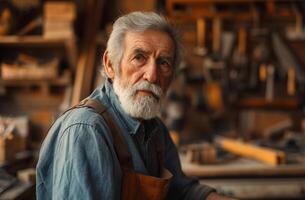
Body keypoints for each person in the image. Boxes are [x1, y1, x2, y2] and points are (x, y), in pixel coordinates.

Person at [36, 11, 235, 200]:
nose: (152, 75)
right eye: (139, 58)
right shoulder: (87, 130)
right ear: (110, 65)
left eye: (164, 62)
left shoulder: (154, 128)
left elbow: (181, 192)